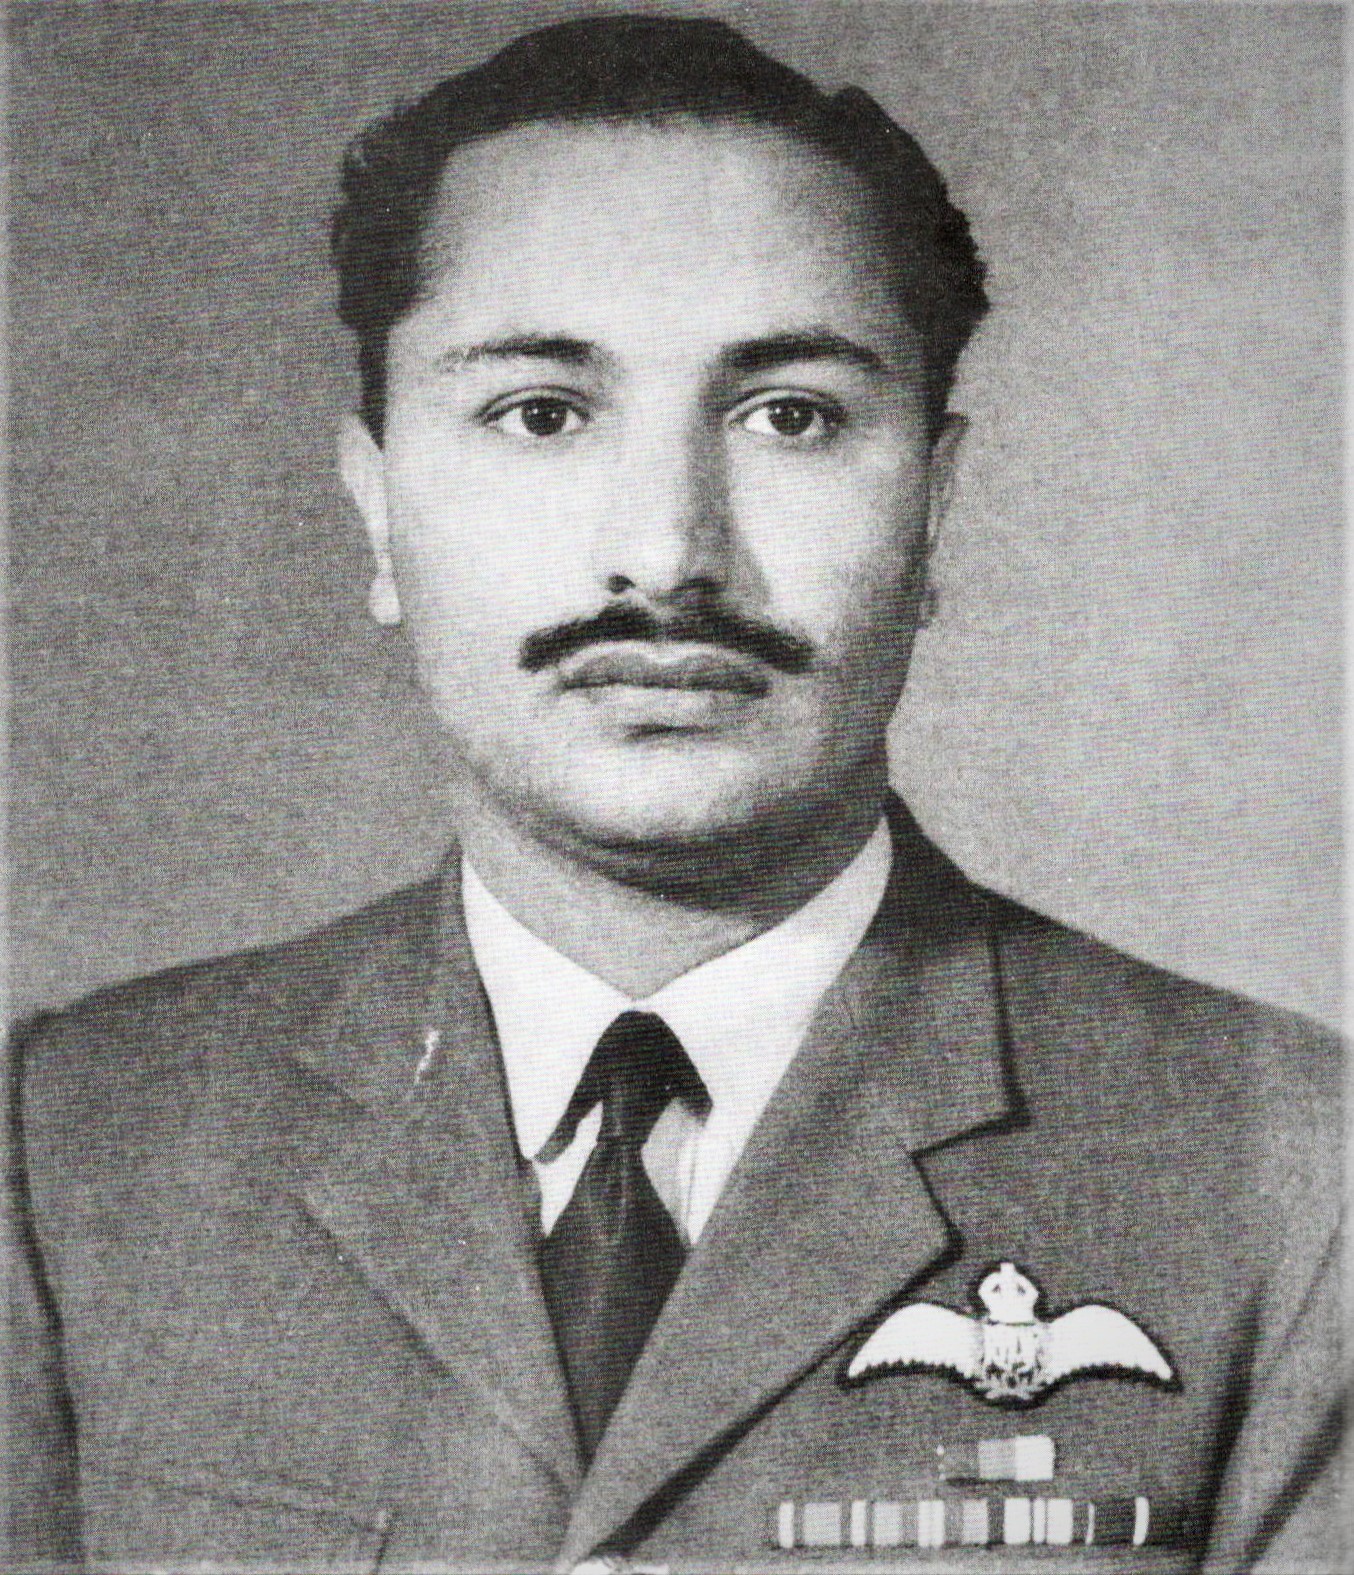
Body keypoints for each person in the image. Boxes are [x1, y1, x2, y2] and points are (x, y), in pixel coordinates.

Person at [5, 14, 1341, 1573]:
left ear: (935, 506)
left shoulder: (1294, 1171)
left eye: (791, 416)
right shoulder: (76, 1143)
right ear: (376, 511)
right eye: (540, 413)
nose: (664, 553)